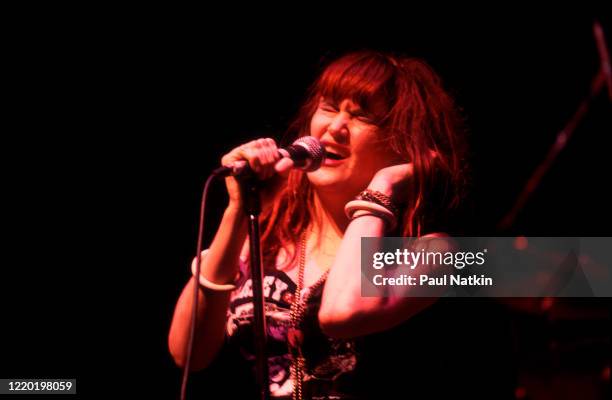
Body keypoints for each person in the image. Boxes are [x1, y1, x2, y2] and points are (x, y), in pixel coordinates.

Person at [168, 50, 514, 399]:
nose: (334, 128)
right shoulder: (267, 235)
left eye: (363, 116)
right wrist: (239, 212)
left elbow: (340, 314)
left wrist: (383, 187)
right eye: (329, 107)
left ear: (404, 146)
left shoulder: (435, 252)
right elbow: (187, 352)